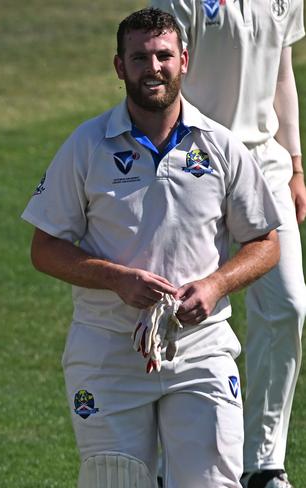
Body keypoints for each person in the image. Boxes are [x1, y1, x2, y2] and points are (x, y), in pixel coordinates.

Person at [22, 8, 282, 487]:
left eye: (164, 55)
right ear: (120, 66)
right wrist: (117, 279)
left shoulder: (222, 146)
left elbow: (265, 241)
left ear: (185, 60)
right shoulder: (87, 145)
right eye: (139, 57)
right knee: (113, 481)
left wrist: (216, 284)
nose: (153, 67)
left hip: (201, 350)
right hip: (107, 351)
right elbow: (45, 248)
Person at [148, 1, 306, 486]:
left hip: (266, 163)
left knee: (288, 308)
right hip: (198, 159)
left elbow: (282, 75)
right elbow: (164, 69)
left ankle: (263, 462)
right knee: (179, 313)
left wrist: (296, 163)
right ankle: (165, 463)